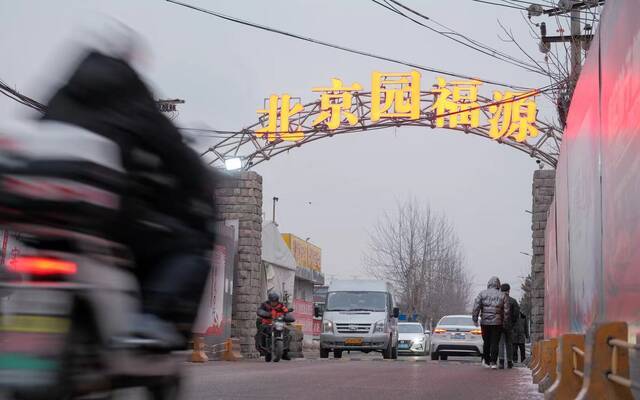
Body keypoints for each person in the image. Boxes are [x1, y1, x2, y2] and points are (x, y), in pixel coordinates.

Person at [41, 45, 217, 347]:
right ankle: (149, 318)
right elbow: (178, 155)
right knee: (189, 244)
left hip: (47, 214)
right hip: (108, 216)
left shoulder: (59, 100)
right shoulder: (133, 101)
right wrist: (203, 185)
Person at [472, 276, 510, 369]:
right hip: (497, 323)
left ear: (488, 284)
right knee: (495, 342)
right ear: (498, 285)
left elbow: (476, 307)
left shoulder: (482, 294)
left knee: (486, 341)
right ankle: (493, 362)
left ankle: (486, 360)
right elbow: (506, 311)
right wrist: (505, 322)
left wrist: (475, 319)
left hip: (485, 322)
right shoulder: (502, 295)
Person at [256, 292, 291, 360]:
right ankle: (263, 349)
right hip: (267, 323)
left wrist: (287, 316)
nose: (274, 303)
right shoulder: (265, 305)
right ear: (269, 300)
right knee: (262, 331)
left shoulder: (281, 306)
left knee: (287, 332)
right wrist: (266, 314)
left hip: (278, 323)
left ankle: (285, 352)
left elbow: (286, 311)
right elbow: (259, 311)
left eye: (275, 301)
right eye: (272, 301)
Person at [498, 283, 520, 369]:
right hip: (509, 325)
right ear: (509, 290)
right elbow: (516, 314)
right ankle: (510, 362)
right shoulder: (513, 301)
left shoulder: (498, 300)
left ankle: (501, 362)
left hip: (499, 325)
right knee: (509, 344)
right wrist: (512, 323)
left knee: (501, 343)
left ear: (501, 290)